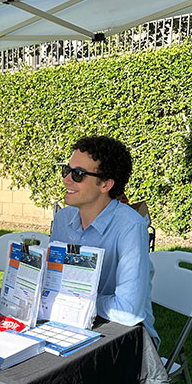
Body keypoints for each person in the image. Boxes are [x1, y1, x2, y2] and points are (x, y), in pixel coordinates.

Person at [50, 135, 158, 345]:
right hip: (69, 324)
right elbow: (52, 281)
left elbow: (128, 312)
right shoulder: (63, 219)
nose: (66, 179)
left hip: (124, 340)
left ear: (106, 184)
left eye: (78, 174)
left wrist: (77, 301)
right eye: (67, 170)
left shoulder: (130, 228)